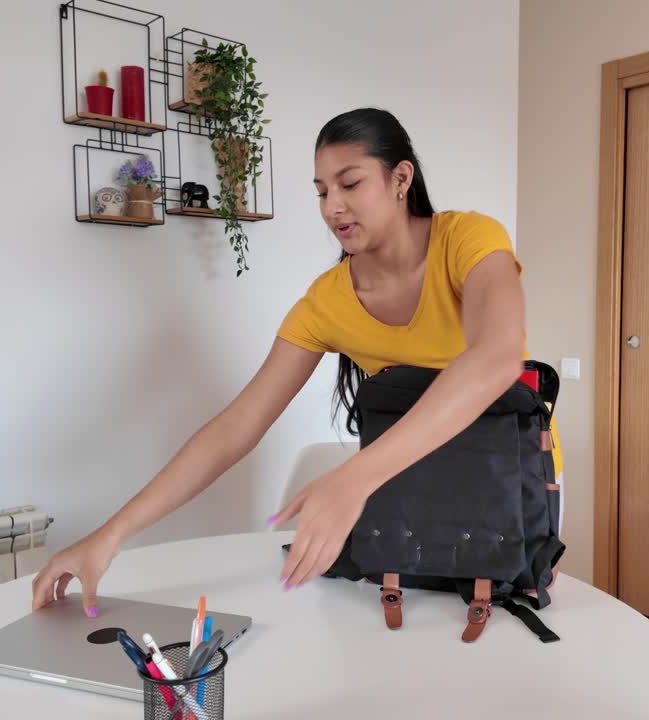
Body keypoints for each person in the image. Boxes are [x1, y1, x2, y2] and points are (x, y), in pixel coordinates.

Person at [31, 107, 563, 618]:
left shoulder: (467, 240)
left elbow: (496, 358)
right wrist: (110, 535)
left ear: (401, 179)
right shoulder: (325, 302)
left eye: (350, 184)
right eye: (322, 191)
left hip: (508, 481)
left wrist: (353, 478)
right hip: (409, 495)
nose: (333, 206)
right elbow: (234, 429)